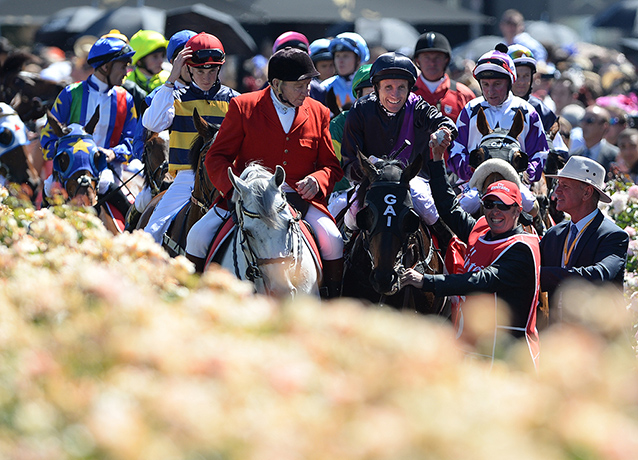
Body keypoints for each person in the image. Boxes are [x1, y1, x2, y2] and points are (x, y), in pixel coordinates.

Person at [185, 48, 344, 298]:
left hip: (297, 197)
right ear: (277, 84)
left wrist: (317, 180)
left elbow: (331, 166)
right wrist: (236, 191)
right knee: (197, 236)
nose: (307, 91)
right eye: (300, 86)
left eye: (308, 84)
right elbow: (216, 157)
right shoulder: (244, 106)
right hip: (248, 198)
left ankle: (332, 303)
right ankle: (191, 304)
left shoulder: (319, 112)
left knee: (333, 239)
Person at [400, 143, 541, 369]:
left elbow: (480, 281)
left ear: (517, 210)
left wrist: (424, 281)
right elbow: (448, 208)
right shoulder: (482, 229)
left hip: (508, 358)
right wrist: (437, 160)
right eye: (488, 204)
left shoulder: (522, 247)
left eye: (503, 206)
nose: (494, 211)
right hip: (474, 352)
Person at [340, 52, 457, 232]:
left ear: (409, 89)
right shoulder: (360, 109)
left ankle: (449, 248)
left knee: (427, 208)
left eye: (401, 87)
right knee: (351, 216)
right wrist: (373, 173)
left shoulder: (418, 106)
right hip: (371, 181)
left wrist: (444, 131)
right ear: (376, 87)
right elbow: (348, 162)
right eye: (388, 87)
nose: (395, 94)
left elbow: (444, 122)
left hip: (411, 181)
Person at [142, 32, 239, 244]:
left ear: (219, 69)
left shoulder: (235, 100)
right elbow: (152, 123)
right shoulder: (174, 98)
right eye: (199, 71)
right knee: (151, 233)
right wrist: (171, 78)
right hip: (186, 178)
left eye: (212, 71)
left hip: (226, 177)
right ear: (188, 69)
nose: (206, 77)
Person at [40, 35, 137, 216]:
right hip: (69, 171)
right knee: (47, 189)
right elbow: (47, 137)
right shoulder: (70, 93)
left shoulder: (126, 99)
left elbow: (132, 139)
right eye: (123, 66)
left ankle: (132, 233)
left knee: (124, 204)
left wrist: (113, 153)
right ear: (105, 67)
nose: (127, 72)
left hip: (107, 170)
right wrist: (65, 154)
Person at [540, 156, 628, 319]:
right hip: (557, 338)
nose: (556, 191)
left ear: (587, 192)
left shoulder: (613, 236)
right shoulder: (553, 234)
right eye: (558, 185)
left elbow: (598, 275)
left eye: (564, 186)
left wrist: (539, 275)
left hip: (597, 338)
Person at [448, 44, 549, 184]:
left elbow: (539, 154)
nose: (490, 91)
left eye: (497, 84)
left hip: (517, 185)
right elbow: (456, 152)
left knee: (532, 205)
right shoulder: (470, 109)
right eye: (485, 85)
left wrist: (524, 177)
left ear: (509, 82)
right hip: (473, 185)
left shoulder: (527, 111)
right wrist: (475, 173)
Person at [129, 29, 196, 217]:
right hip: (163, 174)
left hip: (204, 175)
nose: (192, 67)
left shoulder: (216, 96)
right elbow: (139, 140)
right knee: (143, 204)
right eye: (186, 61)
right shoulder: (156, 96)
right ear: (175, 62)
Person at [412, 31, 476, 123]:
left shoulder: (463, 95)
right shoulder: (407, 94)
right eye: (426, 57)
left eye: (437, 57)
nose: (432, 63)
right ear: (417, 60)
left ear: (446, 60)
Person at [321, 32, 370, 115]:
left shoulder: (369, 86)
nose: (340, 61)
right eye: (337, 56)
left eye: (345, 56)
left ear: (358, 59)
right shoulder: (324, 87)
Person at [569, 105, 619, 176]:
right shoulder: (573, 157)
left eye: (589, 121)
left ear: (604, 126)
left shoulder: (615, 156)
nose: (584, 124)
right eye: (582, 120)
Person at [126, 30, 170, 94]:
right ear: (140, 61)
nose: (161, 61)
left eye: (162, 55)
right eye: (155, 57)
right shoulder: (126, 82)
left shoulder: (169, 79)